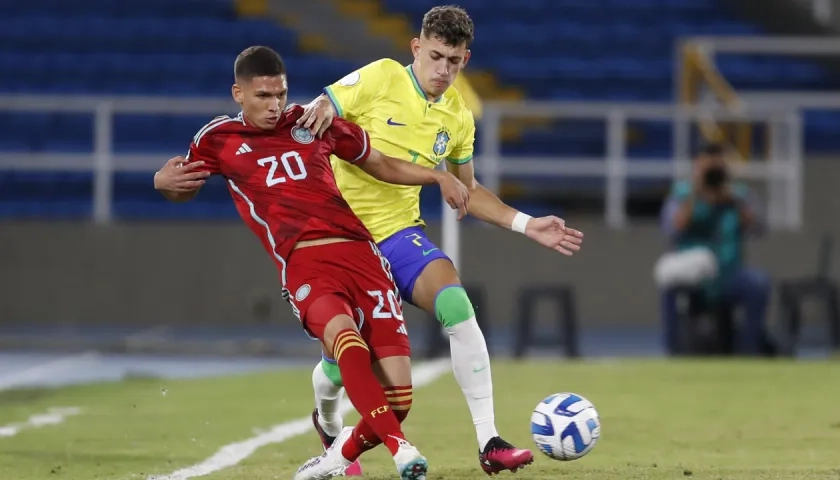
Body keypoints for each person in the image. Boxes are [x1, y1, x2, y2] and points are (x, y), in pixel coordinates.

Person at [152, 45, 472, 480]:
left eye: (280, 94)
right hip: (305, 261)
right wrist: (161, 181)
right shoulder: (218, 139)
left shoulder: (311, 122)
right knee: (346, 340)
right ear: (238, 94)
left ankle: (332, 459)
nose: (275, 105)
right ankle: (400, 450)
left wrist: (437, 174)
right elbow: (181, 185)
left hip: (362, 253)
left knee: (398, 400)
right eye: (263, 96)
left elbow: (377, 162)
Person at [296, 5, 584, 475]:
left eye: (453, 60)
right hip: (341, 240)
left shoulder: (458, 117)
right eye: (435, 56)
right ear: (416, 48)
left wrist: (527, 224)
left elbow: (467, 189)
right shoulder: (383, 77)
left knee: (456, 303)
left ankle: (489, 440)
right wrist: (323, 109)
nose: (442, 70)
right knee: (340, 362)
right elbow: (325, 106)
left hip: (398, 235)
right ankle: (329, 425)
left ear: (465, 59)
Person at [659, 143, 771, 355]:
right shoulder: (682, 193)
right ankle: (673, 352)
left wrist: (733, 201)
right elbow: (672, 228)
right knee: (669, 287)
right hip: (694, 274)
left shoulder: (738, 194)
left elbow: (759, 229)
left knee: (759, 284)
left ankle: (749, 352)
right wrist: (696, 192)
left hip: (729, 273)